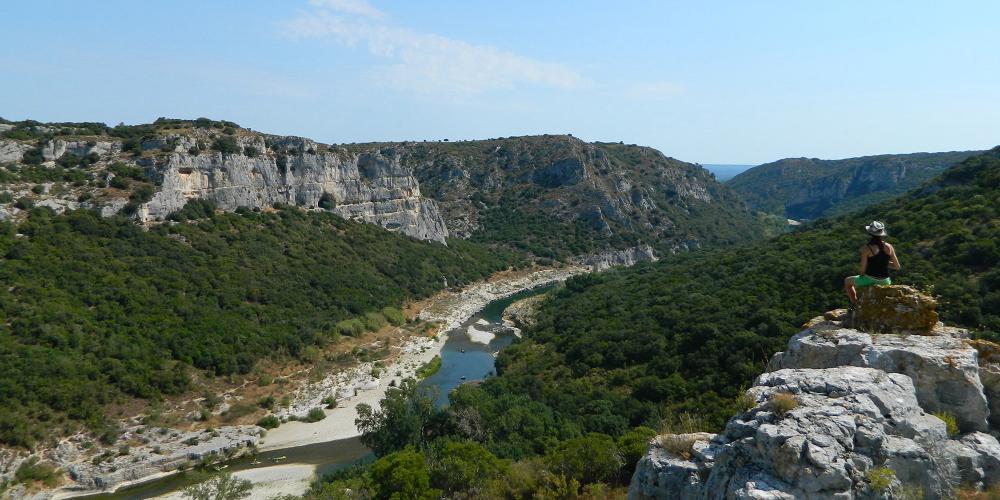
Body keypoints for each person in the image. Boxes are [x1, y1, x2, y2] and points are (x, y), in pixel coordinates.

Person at [844, 220, 901, 305]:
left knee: (847, 281)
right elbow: (897, 267)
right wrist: (884, 262)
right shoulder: (889, 246)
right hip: (886, 281)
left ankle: (854, 304)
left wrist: (861, 277)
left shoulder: (866, 248)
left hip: (870, 279)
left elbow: (862, 270)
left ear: (870, 233)